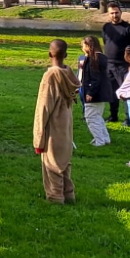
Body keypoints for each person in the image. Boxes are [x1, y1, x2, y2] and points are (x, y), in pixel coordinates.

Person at [33, 39, 80, 204]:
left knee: (52, 163)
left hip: (53, 127)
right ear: (66, 55)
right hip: (66, 126)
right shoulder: (69, 74)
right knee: (64, 161)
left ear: (49, 54)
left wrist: (38, 137)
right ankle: (69, 194)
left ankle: (55, 197)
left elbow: (43, 108)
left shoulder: (50, 76)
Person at [102, 1, 130, 124]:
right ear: (108, 14)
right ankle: (113, 116)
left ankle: (128, 118)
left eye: (116, 12)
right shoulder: (106, 28)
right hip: (109, 64)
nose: (114, 15)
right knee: (112, 92)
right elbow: (105, 43)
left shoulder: (128, 29)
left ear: (121, 12)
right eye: (111, 13)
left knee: (126, 92)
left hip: (123, 65)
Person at [80, 36, 113, 146]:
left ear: (89, 46)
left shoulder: (93, 59)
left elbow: (95, 78)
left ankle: (99, 140)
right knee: (98, 116)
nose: (82, 48)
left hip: (94, 93)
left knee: (90, 117)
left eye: (83, 46)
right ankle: (105, 138)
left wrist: (90, 92)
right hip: (102, 92)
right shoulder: (103, 57)